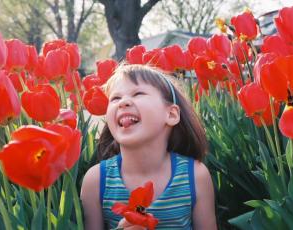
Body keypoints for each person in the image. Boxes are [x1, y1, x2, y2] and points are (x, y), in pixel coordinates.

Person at [81, 64, 217, 230]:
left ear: (171, 114)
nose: (123, 102)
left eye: (138, 93)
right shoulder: (96, 180)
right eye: (115, 98)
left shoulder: (194, 175)